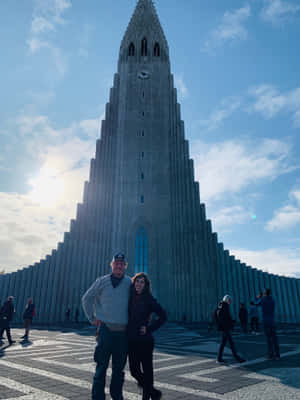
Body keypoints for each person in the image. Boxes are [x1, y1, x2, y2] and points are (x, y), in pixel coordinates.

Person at [82, 253, 131, 400]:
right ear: (112, 265)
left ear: (125, 266)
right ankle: (97, 397)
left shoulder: (130, 282)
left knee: (118, 369)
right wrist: (92, 318)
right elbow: (86, 298)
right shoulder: (102, 281)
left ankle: (117, 396)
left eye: (121, 264)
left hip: (122, 333)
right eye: (116, 263)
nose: (119, 266)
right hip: (105, 331)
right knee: (101, 367)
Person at [128, 272, 167, 400]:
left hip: (145, 340)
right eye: (137, 281)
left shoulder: (149, 299)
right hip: (132, 340)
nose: (139, 284)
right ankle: (154, 392)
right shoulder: (130, 296)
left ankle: (147, 397)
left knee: (147, 370)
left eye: (142, 282)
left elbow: (163, 316)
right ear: (134, 283)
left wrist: (149, 328)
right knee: (134, 370)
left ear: (145, 285)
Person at [216, 295, 245, 364]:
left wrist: (231, 321)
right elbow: (226, 318)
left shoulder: (221, 306)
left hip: (224, 328)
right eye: (229, 300)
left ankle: (219, 358)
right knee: (231, 343)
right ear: (227, 300)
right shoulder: (224, 307)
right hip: (225, 328)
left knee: (223, 344)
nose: (230, 302)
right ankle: (237, 358)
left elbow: (224, 318)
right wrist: (231, 322)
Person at [257, 289, 280, 360]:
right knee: (274, 338)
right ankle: (277, 355)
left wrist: (258, 297)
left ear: (264, 293)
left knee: (268, 339)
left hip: (265, 321)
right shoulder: (272, 300)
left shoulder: (263, 300)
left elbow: (255, 303)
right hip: (272, 320)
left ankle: (271, 355)